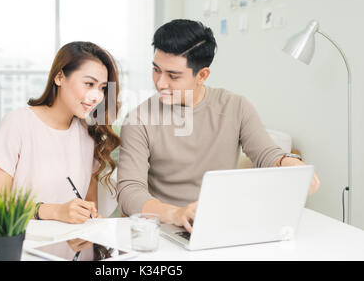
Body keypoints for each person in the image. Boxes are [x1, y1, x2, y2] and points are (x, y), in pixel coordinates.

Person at [116, 19, 320, 233]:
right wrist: (175, 214)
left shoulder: (235, 107)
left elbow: (267, 154)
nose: (160, 83)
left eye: (173, 76)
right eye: (156, 70)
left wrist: (292, 166)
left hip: (222, 227)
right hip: (163, 230)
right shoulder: (138, 119)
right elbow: (130, 191)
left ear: (202, 75)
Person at [0, 41, 120, 223]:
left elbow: (89, 209)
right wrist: (53, 211)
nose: (97, 96)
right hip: (27, 248)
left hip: (77, 249)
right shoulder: (18, 124)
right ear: (59, 77)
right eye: (89, 84)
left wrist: (90, 219)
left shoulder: (88, 134)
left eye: (102, 88)